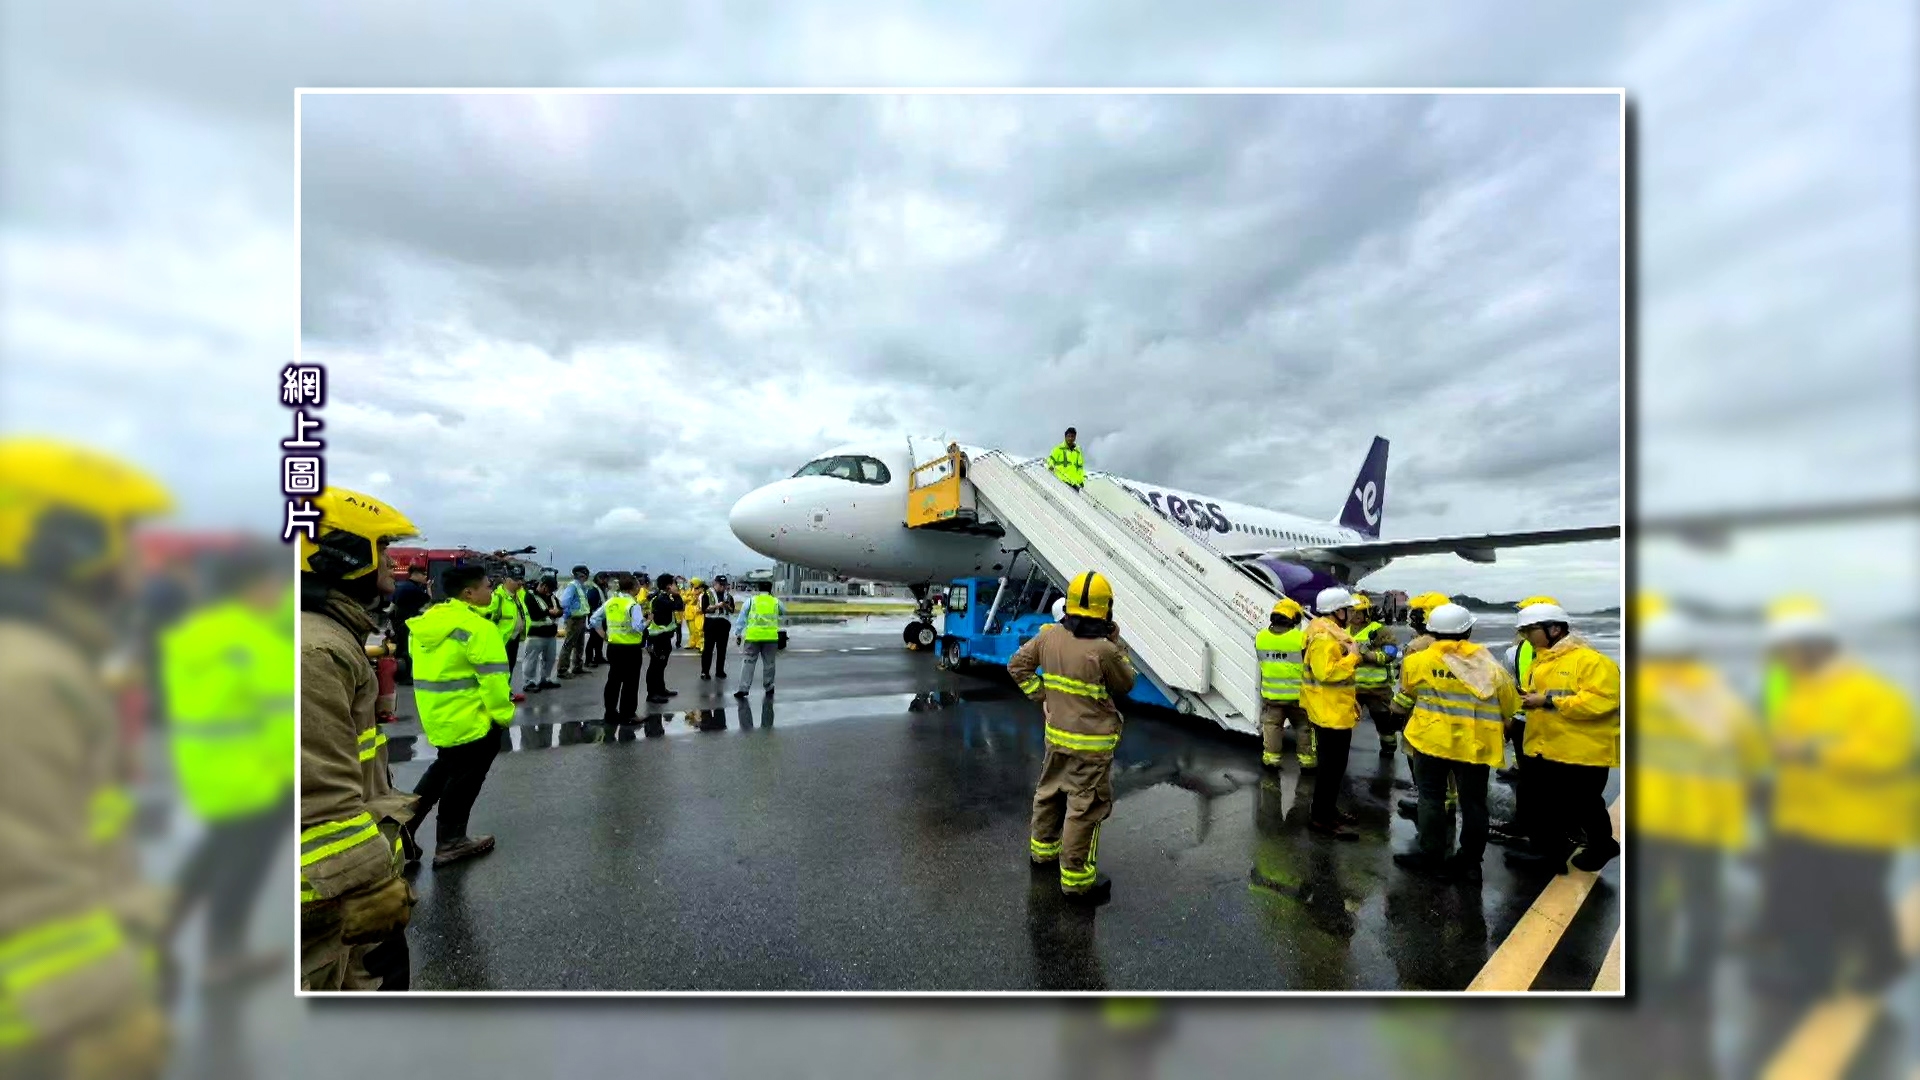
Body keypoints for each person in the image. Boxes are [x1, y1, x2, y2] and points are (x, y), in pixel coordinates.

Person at [0, 438, 174, 1068]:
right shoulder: (27, 673)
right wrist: (99, 1021)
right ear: (62, 542)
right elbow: (29, 881)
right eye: (121, 536)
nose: (137, 561)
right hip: (48, 1033)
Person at [1753, 597, 1916, 1002]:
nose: (1781, 659)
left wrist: (1810, 752)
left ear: (1815, 645)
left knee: (1859, 900)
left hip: (1857, 822)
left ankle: (1884, 960)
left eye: (1786, 649)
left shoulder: (1871, 694)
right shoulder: (1804, 693)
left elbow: (1887, 754)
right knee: (1803, 900)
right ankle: (1813, 978)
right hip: (1804, 819)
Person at [297, 486, 421, 991]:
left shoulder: (322, 638)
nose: (393, 564)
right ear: (343, 557)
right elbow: (315, 794)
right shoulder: (314, 652)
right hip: (329, 897)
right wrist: (369, 885)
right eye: (383, 550)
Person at [161, 546, 295, 986]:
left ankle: (158, 930)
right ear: (255, 586)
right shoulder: (254, 641)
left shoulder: (195, 632)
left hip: (205, 767)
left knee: (210, 854)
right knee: (242, 868)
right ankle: (224, 957)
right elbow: (280, 718)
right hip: (256, 774)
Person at [1632, 596, 1766, 1006]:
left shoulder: (1641, 690)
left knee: (1653, 900)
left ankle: (1650, 976)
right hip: (1705, 823)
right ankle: (1697, 978)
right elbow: (1755, 760)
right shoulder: (1719, 697)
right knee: (1701, 900)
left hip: (1656, 818)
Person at [1010, 570, 1135, 904]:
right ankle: (1077, 881)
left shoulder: (1048, 636)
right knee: (1085, 808)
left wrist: (1043, 696)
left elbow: (1017, 666)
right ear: (1105, 609)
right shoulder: (1105, 650)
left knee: (1049, 792)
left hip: (1056, 736)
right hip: (1091, 746)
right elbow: (1126, 684)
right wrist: (1117, 641)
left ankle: (1042, 852)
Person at [1388, 603, 1519, 881]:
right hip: (1475, 745)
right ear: (1468, 631)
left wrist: (1396, 714)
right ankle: (1471, 863)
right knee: (1473, 804)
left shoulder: (1417, 662)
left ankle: (1430, 854)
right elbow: (1510, 708)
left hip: (1430, 742)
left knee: (1431, 798)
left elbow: (1403, 701)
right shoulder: (1490, 666)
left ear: (1432, 631)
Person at [405, 564, 516, 867]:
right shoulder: (479, 629)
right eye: (486, 587)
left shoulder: (426, 623)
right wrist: (503, 717)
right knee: (464, 781)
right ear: (469, 592)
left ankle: (403, 828)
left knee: (441, 771)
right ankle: (451, 842)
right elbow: (494, 682)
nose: (491, 591)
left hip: (438, 716)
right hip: (474, 722)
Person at [1504, 601, 1622, 874]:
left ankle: (1594, 847)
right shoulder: (1542, 661)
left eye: (1529, 630)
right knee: (1549, 807)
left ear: (1554, 629)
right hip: (1549, 747)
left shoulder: (1590, 661)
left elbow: (1603, 702)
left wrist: (1547, 701)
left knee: (1582, 806)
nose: (1525, 637)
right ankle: (1556, 855)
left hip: (1580, 751)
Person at [1302, 586, 1365, 839]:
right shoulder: (1324, 638)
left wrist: (1353, 701)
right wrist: (1354, 658)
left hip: (1335, 708)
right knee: (1330, 768)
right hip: (1328, 714)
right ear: (1338, 611)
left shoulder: (1330, 632)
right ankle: (1320, 817)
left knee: (1336, 767)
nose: (1351, 613)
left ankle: (1328, 810)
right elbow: (1326, 673)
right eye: (1348, 609)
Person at [1254, 597, 1311, 770]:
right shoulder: (1300, 638)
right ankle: (1308, 762)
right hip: (1298, 697)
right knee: (1303, 727)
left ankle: (1271, 759)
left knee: (1272, 726)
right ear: (1294, 618)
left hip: (1272, 696)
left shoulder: (1261, 637)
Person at [1350, 593, 1403, 752]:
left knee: (1384, 721)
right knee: (1345, 721)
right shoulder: (1343, 631)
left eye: (1360, 611)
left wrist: (1367, 655)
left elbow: (1390, 654)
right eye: (1353, 611)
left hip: (1377, 689)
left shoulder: (1380, 631)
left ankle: (1389, 746)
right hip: (1352, 688)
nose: (1356, 615)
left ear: (1367, 612)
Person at [590, 574, 645, 722]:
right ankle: (628, 714)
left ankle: (610, 713)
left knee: (613, 681)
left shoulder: (611, 602)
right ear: (634, 587)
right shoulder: (633, 605)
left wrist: (604, 635)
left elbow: (594, 619)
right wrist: (648, 621)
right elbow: (637, 627)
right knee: (630, 682)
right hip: (630, 648)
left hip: (613, 647)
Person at [733, 580, 786, 698]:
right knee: (769, 664)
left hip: (753, 637)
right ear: (771, 590)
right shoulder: (775, 602)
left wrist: (738, 633)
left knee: (748, 662)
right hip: (770, 638)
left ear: (758, 589)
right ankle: (769, 687)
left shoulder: (751, 601)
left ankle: (744, 688)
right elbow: (783, 611)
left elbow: (742, 617)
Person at [486, 568, 529, 704]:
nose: (520, 582)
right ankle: (498, 696)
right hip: (502, 640)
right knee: (499, 670)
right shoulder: (497, 597)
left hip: (514, 637)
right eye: (516, 579)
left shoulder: (518, 595)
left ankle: (506, 692)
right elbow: (487, 618)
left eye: (521, 579)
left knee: (510, 667)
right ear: (506, 579)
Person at [389, 563, 433, 685]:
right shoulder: (413, 589)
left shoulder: (402, 586)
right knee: (406, 650)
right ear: (416, 574)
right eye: (424, 574)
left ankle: (399, 675)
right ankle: (405, 677)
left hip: (398, 623)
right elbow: (428, 603)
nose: (425, 577)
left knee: (400, 649)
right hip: (407, 623)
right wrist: (428, 588)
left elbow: (391, 606)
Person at [644, 572, 683, 705]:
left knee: (661, 665)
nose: (676, 586)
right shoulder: (661, 599)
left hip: (664, 637)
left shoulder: (663, 596)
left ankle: (660, 689)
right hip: (657, 638)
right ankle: (652, 694)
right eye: (674, 584)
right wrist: (677, 595)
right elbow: (679, 606)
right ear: (668, 586)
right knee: (655, 666)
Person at [519, 577, 562, 694]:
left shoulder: (552, 597)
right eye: (548, 589)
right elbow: (535, 614)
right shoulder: (530, 596)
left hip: (551, 634)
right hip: (535, 634)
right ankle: (529, 682)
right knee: (531, 660)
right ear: (542, 585)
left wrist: (558, 612)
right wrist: (549, 612)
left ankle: (545, 679)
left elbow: (560, 609)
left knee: (550, 659)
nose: (549, 592)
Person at [556, 565, 595, 678]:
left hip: (581, 618)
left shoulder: (581, 586)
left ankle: (577, 666)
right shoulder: (572, 586)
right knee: (569, 644)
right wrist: (568, 616)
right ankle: (562, 670)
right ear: (582, 575)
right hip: (574, 619)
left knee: (579, 644)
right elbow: (565, 602)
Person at [701, 575, 738, 680]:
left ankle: (720, 671)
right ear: (715, 584)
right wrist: (717, 606)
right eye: (720, 585)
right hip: (711, 624)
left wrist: (726, 606)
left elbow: (732, 610)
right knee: (708, 649)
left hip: (723, 624)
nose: (722, 587)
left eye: (724, 585)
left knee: (722, 650)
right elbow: (704, 609)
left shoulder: (728, 596)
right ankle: (705, 672)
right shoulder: (707, 594)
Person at [584, 572, 611, 669]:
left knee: (599, 638)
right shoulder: (593, 590)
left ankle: (598, 656)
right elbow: (591, 603)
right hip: (596, 617)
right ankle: (588, 659)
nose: (606, 581)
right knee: (593, 639)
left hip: (602, 617)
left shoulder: (601, 589)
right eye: (605, 579)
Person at [683, 576, 706, 654]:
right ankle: (692, 643)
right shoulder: (689, 590)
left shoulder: (701, 591)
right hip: (688, 612)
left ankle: (699, 644)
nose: (691, 585)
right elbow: (683, 598)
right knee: (691, 630)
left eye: (692, 584)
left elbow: (696, 599)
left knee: (698, 629)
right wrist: (689, 598)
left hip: (697, 613)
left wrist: (690, 598)